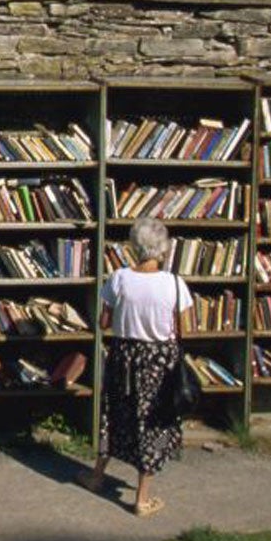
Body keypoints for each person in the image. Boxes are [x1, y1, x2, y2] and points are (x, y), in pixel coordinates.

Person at [84, 215, 193, 517]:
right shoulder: (174, 283)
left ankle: (96, 477)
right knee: (152, 425)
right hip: (159, 363)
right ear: (164, 249)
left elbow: (103, 323)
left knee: (114, 416)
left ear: (134, 246)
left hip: (123, 359)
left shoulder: (118, 278)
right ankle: (142, 499)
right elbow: (185, 330)